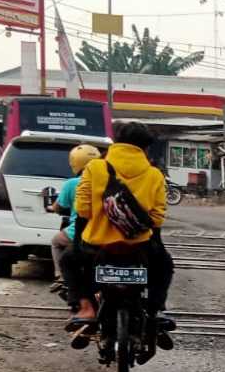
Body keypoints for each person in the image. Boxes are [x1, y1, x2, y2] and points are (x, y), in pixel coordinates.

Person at [71, 122, 173, 325]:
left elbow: (82, 209)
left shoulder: (95, 167)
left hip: (97, 244)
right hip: (138, 246)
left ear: (116, 143)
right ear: (145, 148)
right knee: (164, 266)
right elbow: (157, 218)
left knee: (69, 261)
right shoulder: (154, 175)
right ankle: (154, 310)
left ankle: (86, 307)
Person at [49, 143, 102, 279]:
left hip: (80, 231)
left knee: (56, 241)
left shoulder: (72, 183)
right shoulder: (106, 180)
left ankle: (61, 276)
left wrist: (52, 207)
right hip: (104, 230)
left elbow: (58, 207)